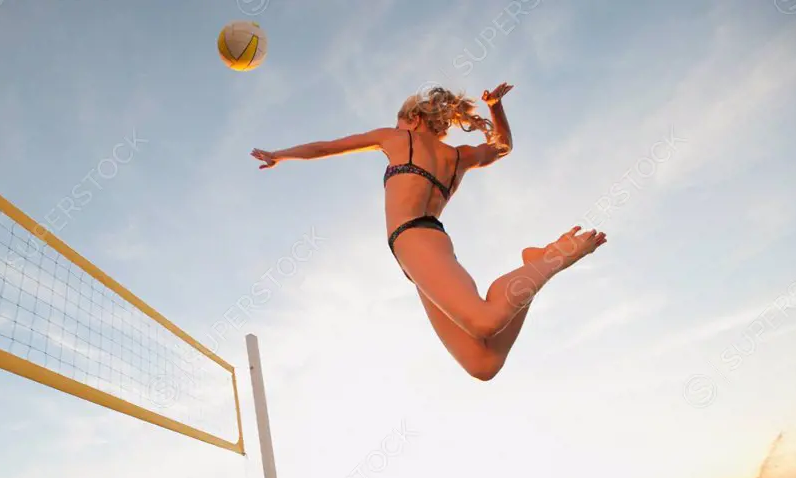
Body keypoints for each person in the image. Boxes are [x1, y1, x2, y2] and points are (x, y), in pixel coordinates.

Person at [250, 84, 606, 380]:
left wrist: (281, 154)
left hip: (415, 239)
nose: (395, 125)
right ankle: (533, 265)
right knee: (484, 364)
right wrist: (495, 109)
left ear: (414, 119)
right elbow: (502, 147)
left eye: (399, 120)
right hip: (424, 249)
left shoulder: (395, 138)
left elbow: (326, 148)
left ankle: (552, 259)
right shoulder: (459, 156)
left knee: (485, 322)